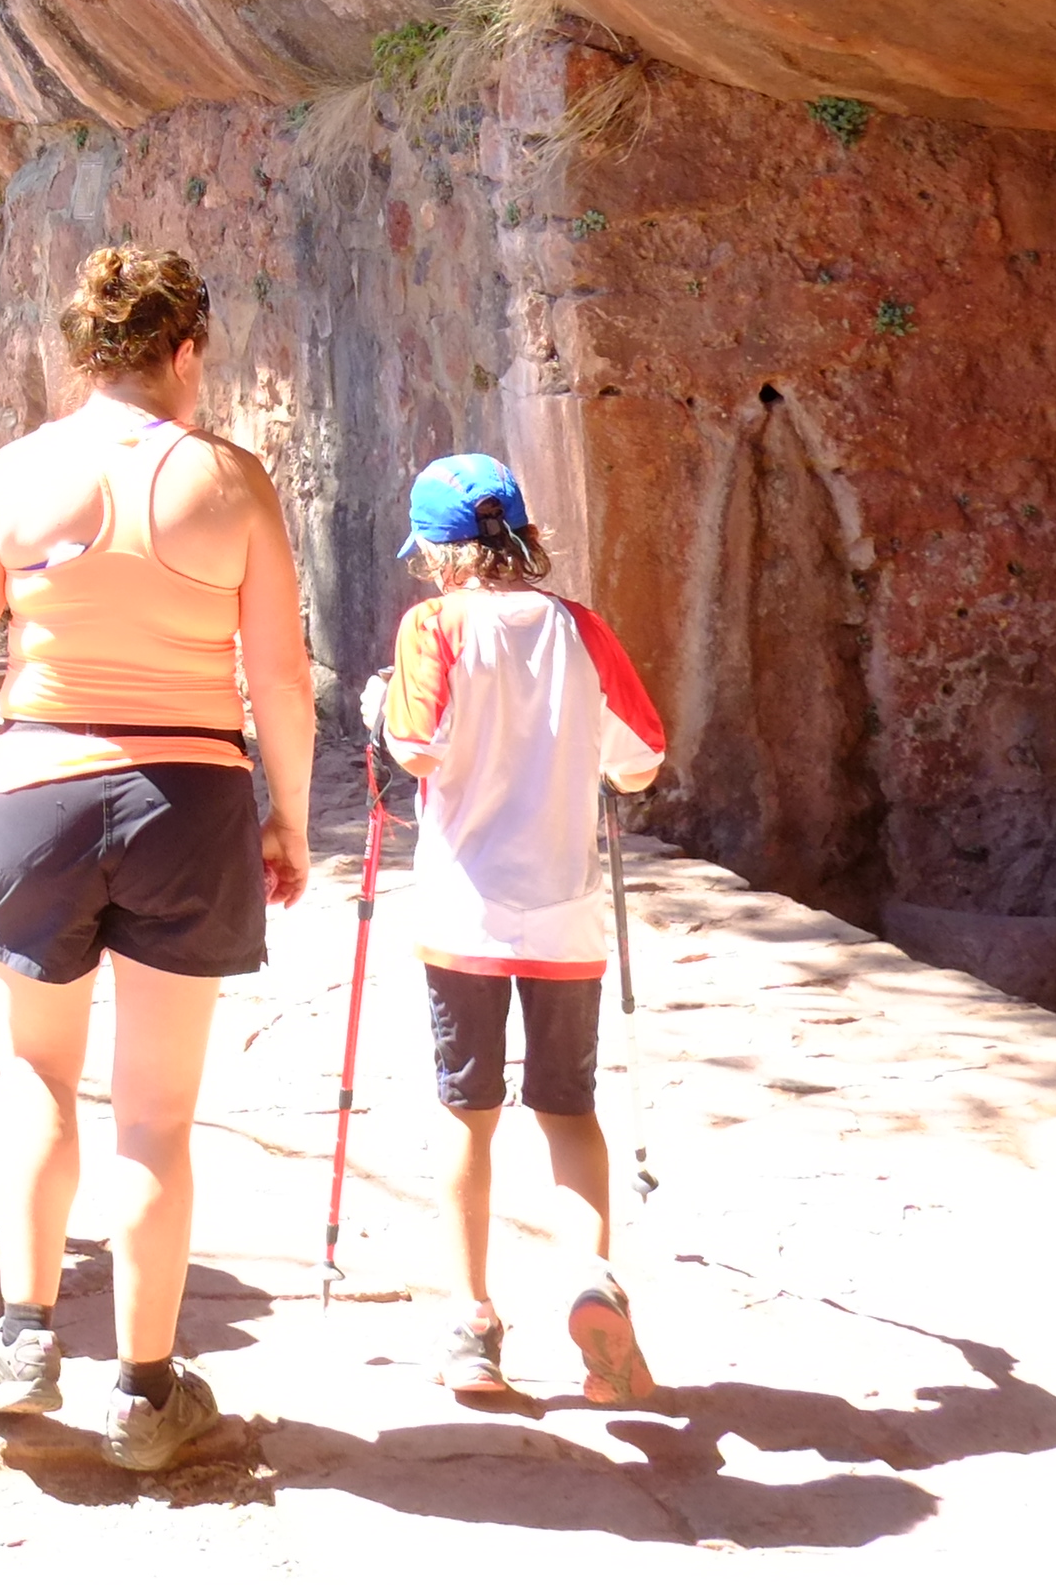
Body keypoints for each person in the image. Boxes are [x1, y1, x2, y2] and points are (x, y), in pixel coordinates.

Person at [0, 244, 313, 1475]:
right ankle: (144, 1390)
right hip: (189, 796)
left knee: (38, 1074)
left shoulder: (20, 473)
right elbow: (278, 677)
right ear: (186, 350)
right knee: (159, 1117)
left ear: (84, 351)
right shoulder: (230, 481)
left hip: (39, 791)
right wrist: (291, 817)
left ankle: (21, 1338)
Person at [368, 452, 669, 1408]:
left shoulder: (434, 628)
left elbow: (413, 743)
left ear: (443, 557)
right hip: (566, 915)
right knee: (570, 1111)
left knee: (470, 1111)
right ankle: (591, 1277)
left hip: (465, 914)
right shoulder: (581, 630)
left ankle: (472, 1322)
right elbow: (642, 761)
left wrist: (375, 705)